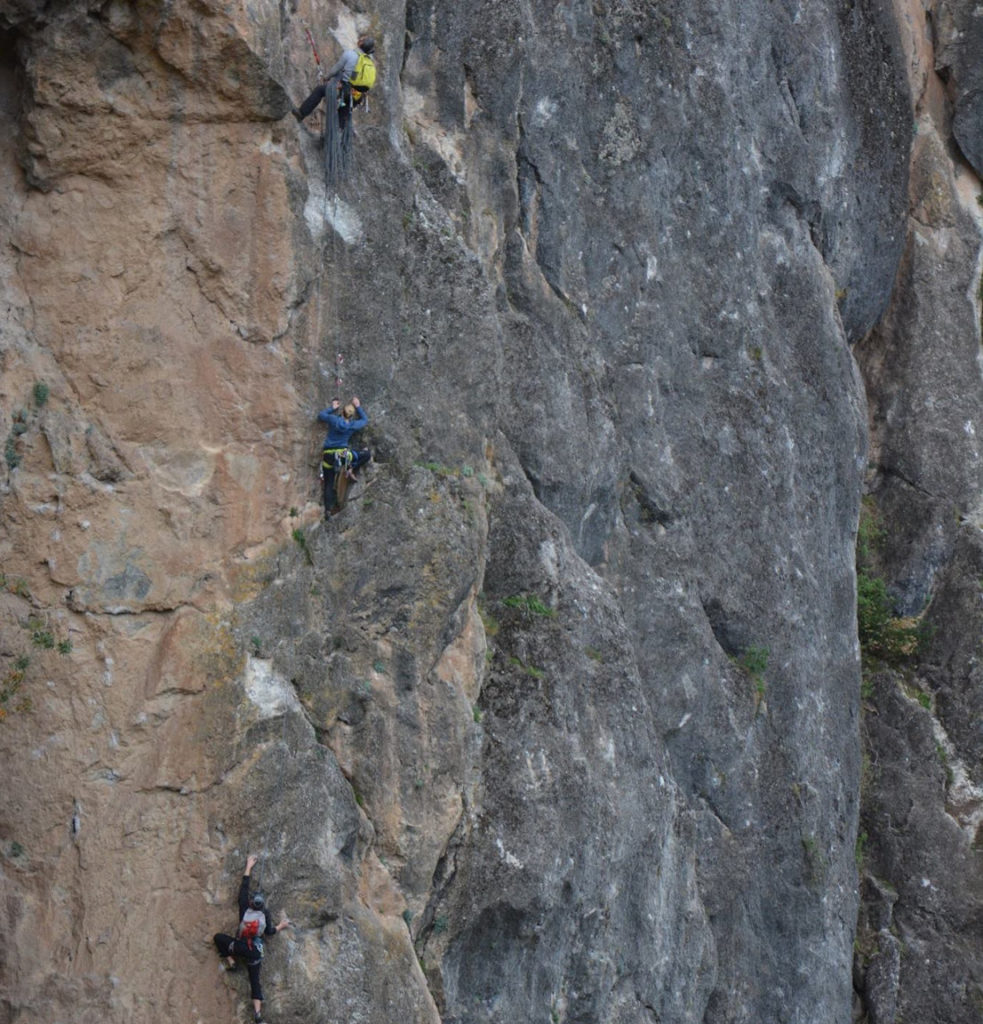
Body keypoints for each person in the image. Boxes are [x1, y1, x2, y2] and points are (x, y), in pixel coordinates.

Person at [213, 854, 292, 1024]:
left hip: (240, 947)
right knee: (255, 982)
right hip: (255, 953)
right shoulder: (265, 914)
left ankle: (231, 961)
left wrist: (248, 866)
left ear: (250, 902)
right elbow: (270, 932)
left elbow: (244, 887)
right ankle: (258, 1016)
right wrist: (282, 925)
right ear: (262, 905)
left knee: (219, 938)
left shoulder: (243, 908)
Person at [292, 35, 376, 134]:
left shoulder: (350, 54)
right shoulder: (370, 62)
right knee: (344, 109)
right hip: (358, 96)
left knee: (320, 90)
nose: (359, 39)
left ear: (361, 43)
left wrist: (326, 78)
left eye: (361, 39)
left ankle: (301, 113)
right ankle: (336, 135)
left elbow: (335, 69)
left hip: (344, 90)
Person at [317, 397, 371, 517]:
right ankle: (350, 467)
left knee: (329, 483)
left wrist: (332, 407)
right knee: (365, 454)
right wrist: (358, 406)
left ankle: (328, 511)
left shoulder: (333, 419)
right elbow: (365, 420)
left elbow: (320, 415)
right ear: (351, 416)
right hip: (343, 455)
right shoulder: (352, 425)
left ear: (342, 412)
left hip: (328, 455)